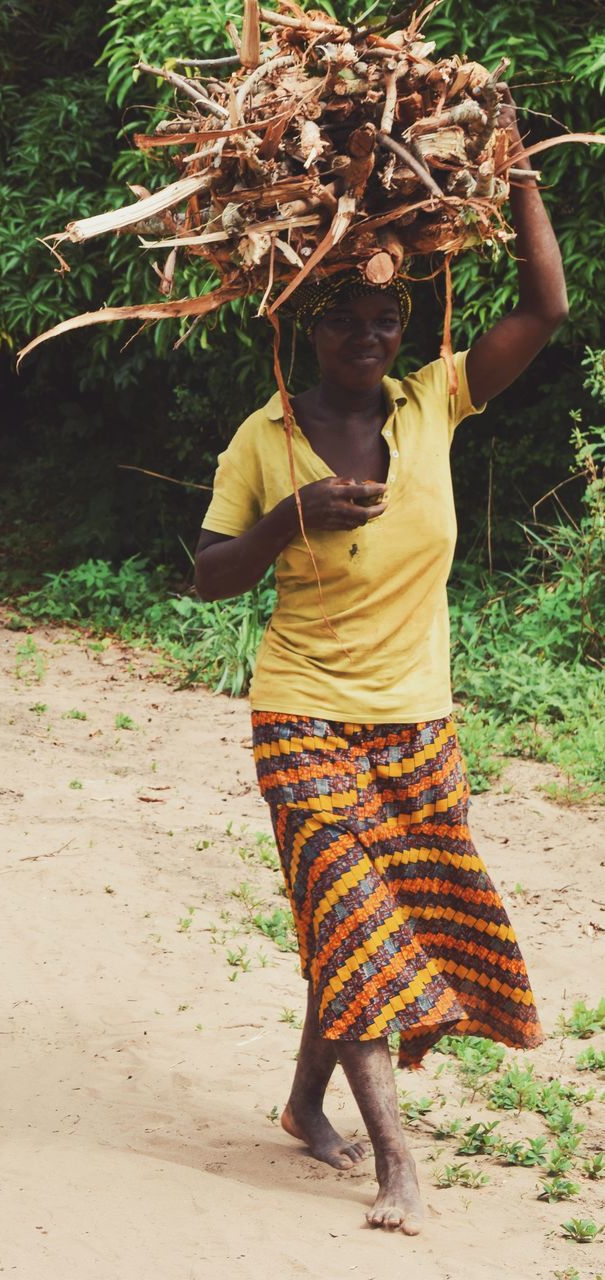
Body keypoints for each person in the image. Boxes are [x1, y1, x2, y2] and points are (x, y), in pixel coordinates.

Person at [193, 91, 568, 1236]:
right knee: (353, 921)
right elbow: (208, 572)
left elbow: (547, 306)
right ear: (309, 325)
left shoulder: (431, 404)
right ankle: (397, 1161)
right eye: (347, 317)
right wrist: (284, 521)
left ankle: (307, 1097)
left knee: (352, 922)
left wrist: (517, 167)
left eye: (386, 315)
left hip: (416, 721)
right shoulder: (266, 439)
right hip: (301, 713)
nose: (368, 335)